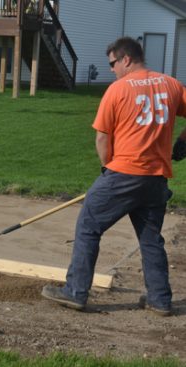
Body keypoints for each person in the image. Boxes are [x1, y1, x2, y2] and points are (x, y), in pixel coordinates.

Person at [41, 37, 186, 316]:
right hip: (156, 179)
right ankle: (160, 299)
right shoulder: (171, 85)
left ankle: (75, 292)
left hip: (123, 173)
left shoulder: (118, 90)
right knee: (150, 238)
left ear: (126, 59)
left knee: (88, 226)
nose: (111, 69)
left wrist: (108, 169)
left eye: (112, 63)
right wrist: (183, 142)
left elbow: (101, 138)